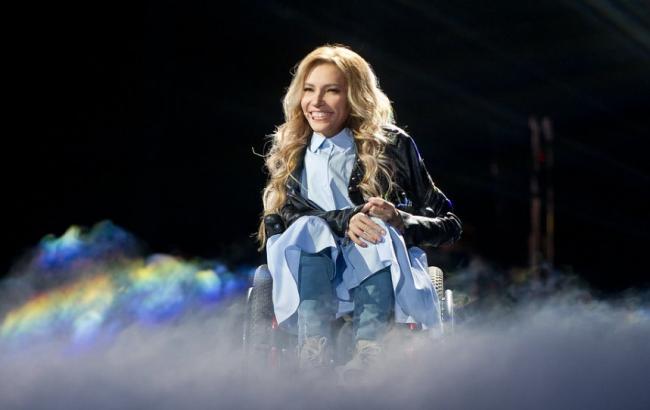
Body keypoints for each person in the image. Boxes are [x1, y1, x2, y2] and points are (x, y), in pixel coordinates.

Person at [256, 44, 462, 377]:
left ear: (354, 96)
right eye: (309, 90)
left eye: (331, 91)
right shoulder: (292, 146)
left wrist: (399, 219)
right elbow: (285, 219)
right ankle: (313, 349)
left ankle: (370, 350)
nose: (316, 101)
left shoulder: (393, 145)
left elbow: (449, 224)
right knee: (310, 229)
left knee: (374, 229)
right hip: (309, 269)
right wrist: (344, 220)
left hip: (378, 264)